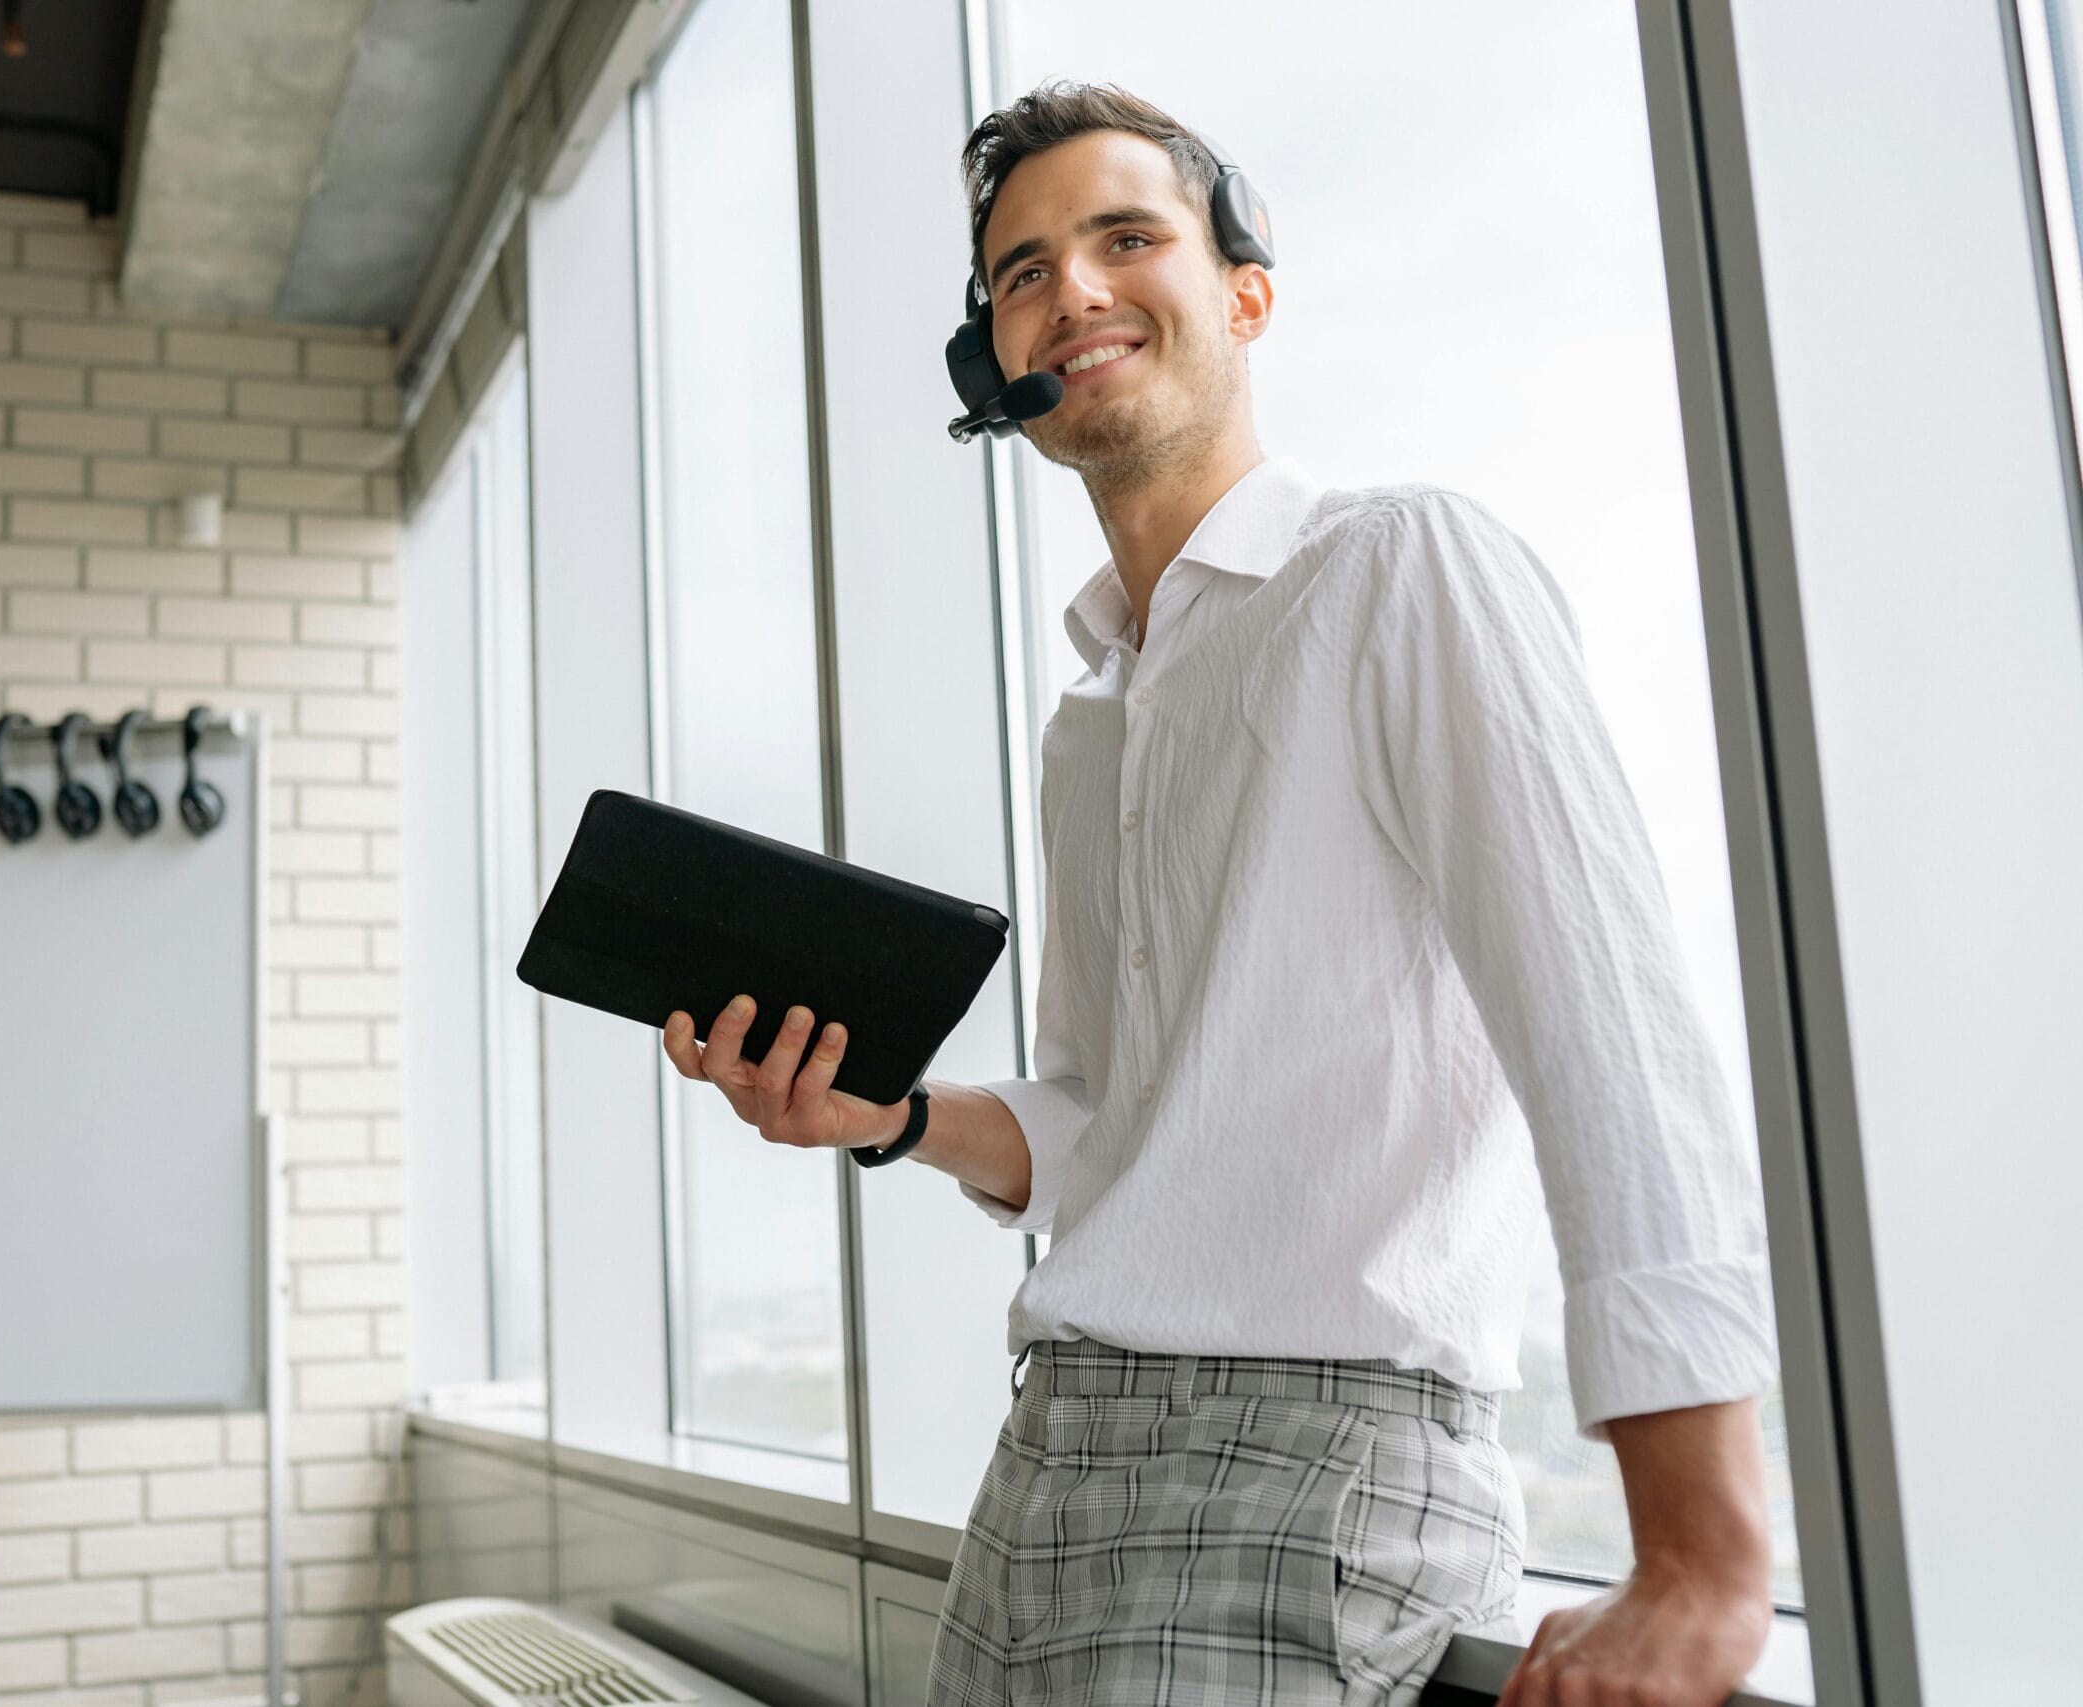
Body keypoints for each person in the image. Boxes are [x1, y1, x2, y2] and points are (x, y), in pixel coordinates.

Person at [662, 82, 1778, 1707]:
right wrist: (891, 1117)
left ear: (1245, 292)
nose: (1076, 291)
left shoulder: (1400, 568)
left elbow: (1612, 1035)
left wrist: (1702, 1552)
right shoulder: (1095, 713)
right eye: (1023, 271)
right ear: (1000, 369)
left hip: (1309, 1469)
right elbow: (1127, 1128)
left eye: (1129, 237)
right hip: (1046, 1467)